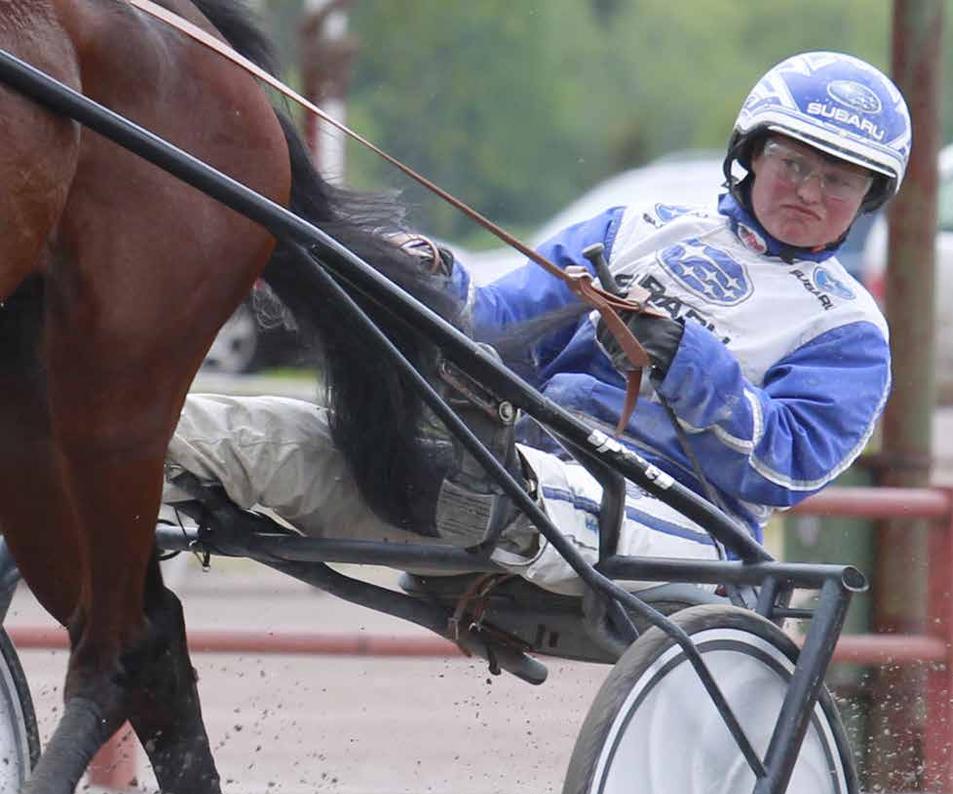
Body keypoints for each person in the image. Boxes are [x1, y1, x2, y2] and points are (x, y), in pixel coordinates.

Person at [164, 50, 911, 594]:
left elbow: (784, 467)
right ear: (750, 155)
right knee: (231, 435)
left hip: (680, 533)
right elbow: (496, 325)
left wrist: (688, 363)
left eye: (838, 179)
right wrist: (424, 271)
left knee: (504, 480)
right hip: (513, 471)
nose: (809, 192)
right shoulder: (640, 226)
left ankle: (472, 482)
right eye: (793, 164)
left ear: (868, 196)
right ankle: (144, 435)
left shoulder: (847, 330)